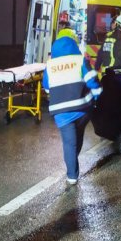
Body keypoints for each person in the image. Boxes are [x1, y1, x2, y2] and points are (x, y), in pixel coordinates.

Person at [43, 36, 102, 184]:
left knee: (69, 143)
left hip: (61, 112)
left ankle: (72, 176)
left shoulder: (50, 66)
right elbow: (92, 80)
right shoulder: (79, 60)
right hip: (82, 109)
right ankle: (72, 160)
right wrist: (96, 95)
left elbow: (47, 86)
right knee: (78, 135)